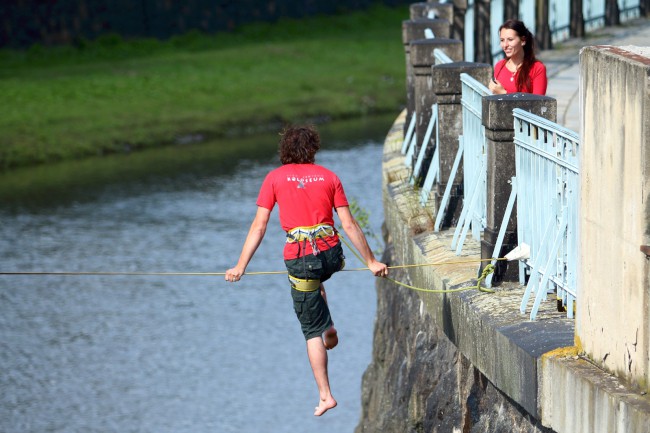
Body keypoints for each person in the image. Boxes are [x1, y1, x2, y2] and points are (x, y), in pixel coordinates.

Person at [225, 125, 388, 417]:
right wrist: (371, 262)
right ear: (312, 149)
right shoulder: (329, 176)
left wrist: (240, 266)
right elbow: (348, 225)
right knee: (314, 284)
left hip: (302, 260)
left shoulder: (274, 178)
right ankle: (328, 325)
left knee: (310, 329)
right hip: (332, 256)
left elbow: (259, 227)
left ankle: (325, 394)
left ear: (284, 150)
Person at [488, 19, 547, 95]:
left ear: (523, 41)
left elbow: (538, 104)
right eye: (502, 40)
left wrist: (504, 93)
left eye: (510, 39)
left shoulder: (537, 68)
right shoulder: (499, 66)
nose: (505, 45)